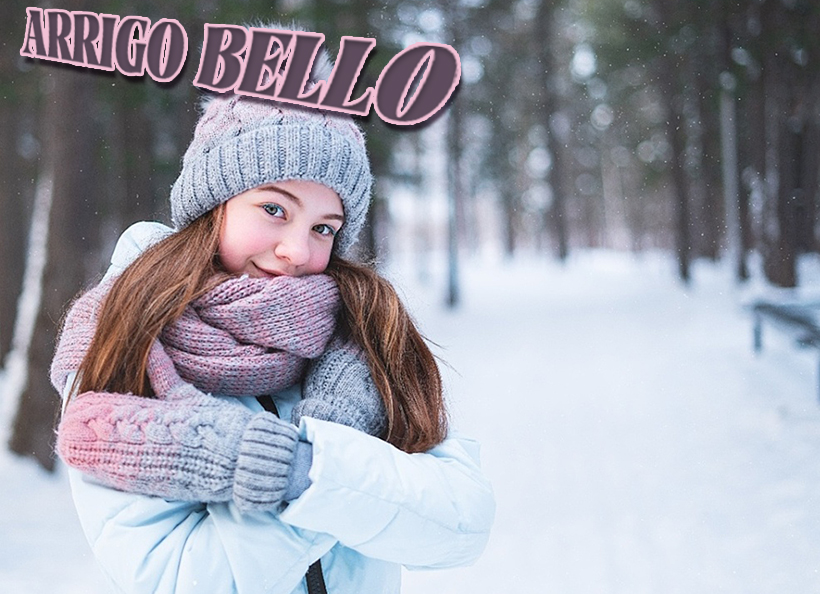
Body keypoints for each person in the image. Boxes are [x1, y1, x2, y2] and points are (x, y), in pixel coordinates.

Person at [48, 90, 494, 594]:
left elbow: (459, 523)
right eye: (275, 209)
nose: (297, 251)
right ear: (213, 205)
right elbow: (180, 579)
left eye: (324, 228)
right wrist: (337, 474)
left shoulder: (361, 334)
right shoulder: (126, 336)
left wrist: (297, 466)